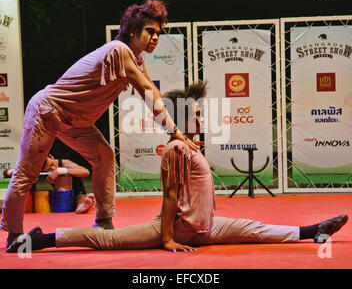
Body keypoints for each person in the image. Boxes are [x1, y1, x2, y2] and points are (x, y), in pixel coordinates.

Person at [6, 82, 348, 253]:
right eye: (195, 113)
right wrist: (167, 238)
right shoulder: (174, 149)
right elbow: (170, 195)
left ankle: (312, 230)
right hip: (180, 230)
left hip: (207, 228)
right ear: (180, 116)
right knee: (105, 239)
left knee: (254, 227)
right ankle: (44, 238)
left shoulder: (189, 146)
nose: (200, 117)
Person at [1, 0, 199, 250]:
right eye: (150, 31)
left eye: (158, 33)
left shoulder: (136, 59)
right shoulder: (118, 51)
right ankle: (14, 237)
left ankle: (103, 222)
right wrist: (175, 132)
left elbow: (153, 93)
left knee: (104, 155)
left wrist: (176, 129)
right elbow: (148, 91)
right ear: (132, 31)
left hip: (76, 121)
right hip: (48, 111)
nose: (155, 37)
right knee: (26, 174)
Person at [3, 154, 95, 214]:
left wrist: (60, 171)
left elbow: (85, 171)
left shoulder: (64, 163)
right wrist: (14, 171)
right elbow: (5, 172)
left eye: (51, 164)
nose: (52, 168)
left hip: (77, 192)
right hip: (56, 196)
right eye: (48, 169)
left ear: (51, 157)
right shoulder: (35, 165)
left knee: (80, 200)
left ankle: (83, 205)